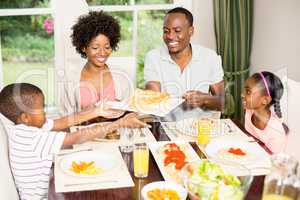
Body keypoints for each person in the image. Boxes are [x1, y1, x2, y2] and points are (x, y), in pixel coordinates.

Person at [0, 83, 146, 200]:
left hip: (49, 186)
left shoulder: (22, 128)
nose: (45, 112)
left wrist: (96, 111)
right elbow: (77, 137)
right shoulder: (30, 138)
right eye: (42, 109)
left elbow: (63, 122)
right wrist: (120, 123)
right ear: (25, 117)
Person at [144, 7, 224, 120]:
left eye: (177, 31)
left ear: (191, 31)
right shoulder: (153, 57)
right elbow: (153, 100)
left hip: (201, 129)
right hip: (167, 129)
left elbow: (221, 102)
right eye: (166, 31)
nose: (170, 36)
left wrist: (204, 99)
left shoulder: (210, 57)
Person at [61, 11, 133, 115]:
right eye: (95, 47)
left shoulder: (121, 77)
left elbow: (131, 110)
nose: (103, 53)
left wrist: (123, 110)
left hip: (116, 130)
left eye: (107, 47)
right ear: (83, 47)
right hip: (84, 130)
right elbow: (65, 117)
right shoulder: (70, 79)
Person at [241, 71, 288, 154]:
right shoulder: (249, 110)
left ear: (265, 100)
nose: (242, 94)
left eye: (248, 92)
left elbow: (271, 163)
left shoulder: (276, 134)